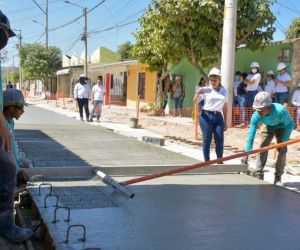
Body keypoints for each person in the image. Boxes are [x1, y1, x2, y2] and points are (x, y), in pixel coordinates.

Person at [0, 89, 34, 242]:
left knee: (13, 165)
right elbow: (7, 150)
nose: (23, 111)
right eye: (21, 108)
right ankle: (5, 226)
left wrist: (20, 162)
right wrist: (17, 170)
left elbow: (12, 144)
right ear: (11, 108)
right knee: (9, 170)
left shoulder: (9, 122)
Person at [244, 91, 294, 186]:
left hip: (282, 127)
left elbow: (290, 125)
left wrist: (284, 141)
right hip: (268, 126)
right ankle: (258, 173)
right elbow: (252, 132)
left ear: (268, 107)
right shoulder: (257, 115)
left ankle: (278, 178)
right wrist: (248, 149)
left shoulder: (280, 111)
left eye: (260, 109)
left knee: (282, 150)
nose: (258, 112)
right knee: (263, 147)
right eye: (257, 109)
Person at [194, 67, 228, 161]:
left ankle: (219, 161)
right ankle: (207, 162)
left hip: (218, 116)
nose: (213, 82)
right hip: (206, 116)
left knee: (220, 139)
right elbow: (195, 102)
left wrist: (225, 120)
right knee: (207, 140)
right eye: (211, 80)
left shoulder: (224, 91)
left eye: (215, 80)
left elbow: (225, 107)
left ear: (219, 80)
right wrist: (197, 94)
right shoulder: (206, 90)